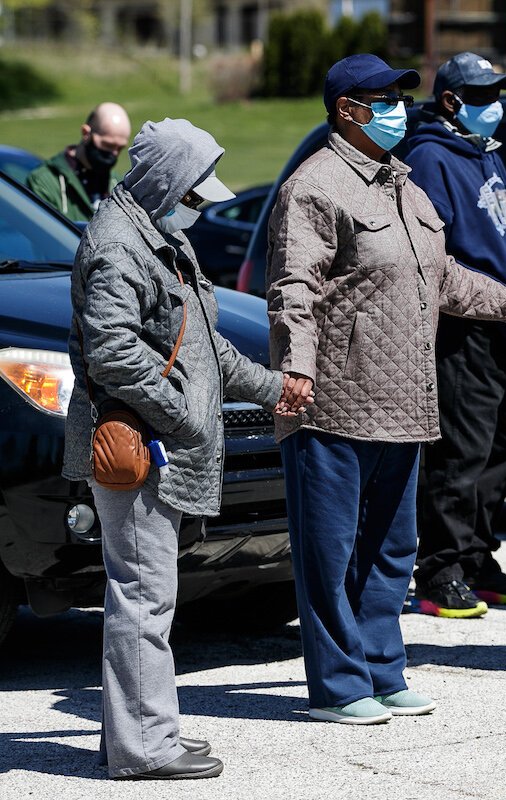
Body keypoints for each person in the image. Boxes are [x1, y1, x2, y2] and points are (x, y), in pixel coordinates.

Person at [267, 54, 506, 724]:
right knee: (331, 554)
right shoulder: (314, 188)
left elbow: (445, 279)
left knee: (390, 553)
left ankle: (382, 671)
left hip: (404, 401)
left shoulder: (405, 185)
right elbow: (292, 290)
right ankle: (337, 686)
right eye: (384, 98)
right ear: (347, 110)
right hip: (335, 401)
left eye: (399, 95)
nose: (397, 107)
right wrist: (295, 369)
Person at [64, 118, 289, 779]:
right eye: (192, 190)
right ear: (166, 180)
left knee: (148, 597)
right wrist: (182, 416)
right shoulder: (117, 247)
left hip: (158, 445)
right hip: (139, 450)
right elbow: (113, 353)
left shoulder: (154, 235)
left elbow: (204, 349)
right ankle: (144, 750)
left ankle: (141, 735)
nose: (196, 204)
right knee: (143, 597)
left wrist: (275, 388)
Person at [406, 52, 506, 618]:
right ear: (452, 101)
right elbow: (436, 259)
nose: (495, 106)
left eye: (497, 94)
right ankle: (441, 571)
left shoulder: (483, 153)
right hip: (467, 332)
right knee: (459, 457)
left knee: (498, 453)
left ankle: (477, 560)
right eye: (483, 96)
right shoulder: (431, 157)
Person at [27, 103, 130, 222]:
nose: (114, 154)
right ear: (86, 133)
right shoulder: (44, 182)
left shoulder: (118, 184)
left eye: (120, 148)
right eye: (107, 145)